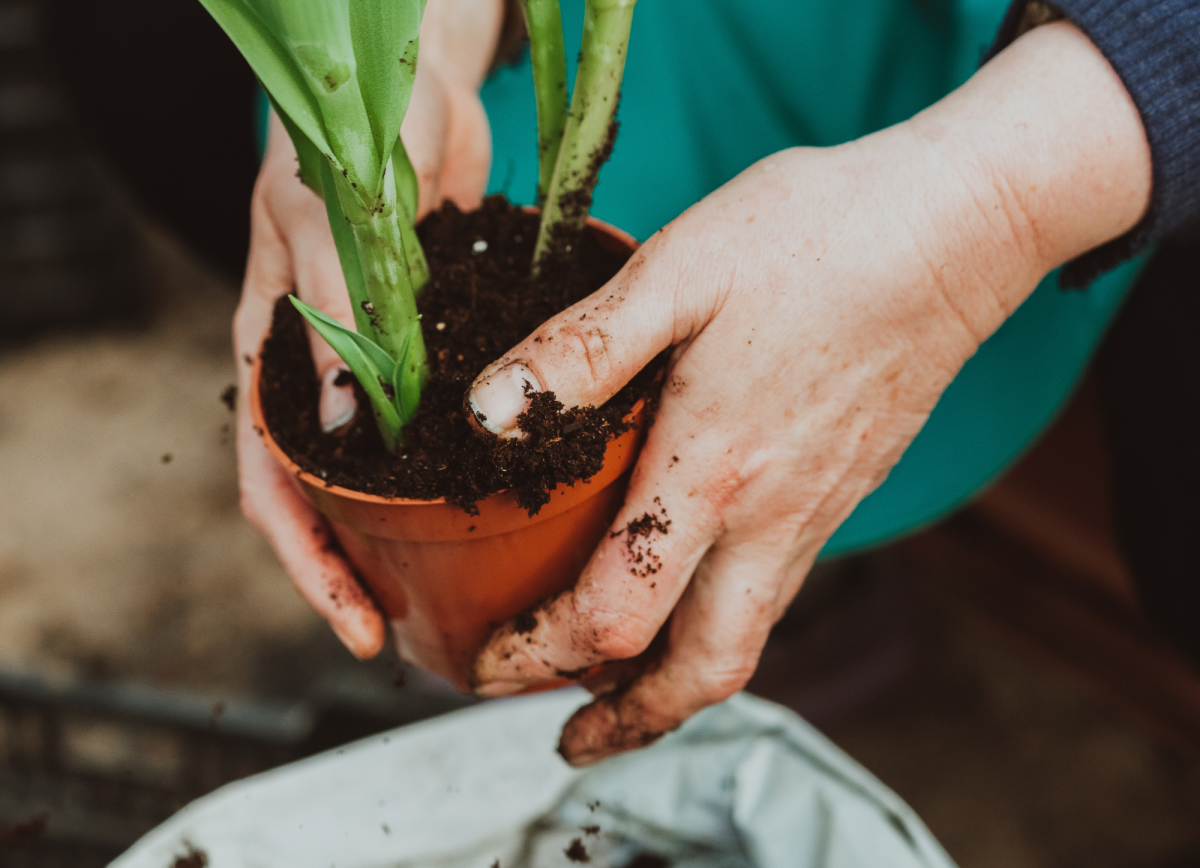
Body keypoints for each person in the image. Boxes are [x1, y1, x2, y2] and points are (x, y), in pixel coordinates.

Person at [233, 0, 1198, 765]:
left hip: (1056, 66)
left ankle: (789, 573)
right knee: (145, 53)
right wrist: (407, 36)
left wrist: (988, 212)